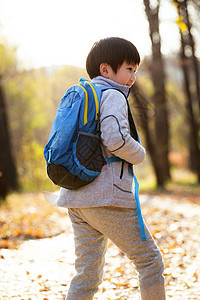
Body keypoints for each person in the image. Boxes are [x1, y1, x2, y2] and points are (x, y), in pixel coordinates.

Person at [56, 37, 166, 300]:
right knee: (150, 263)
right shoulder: (113, 94)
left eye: (135, 70)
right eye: (129, 69)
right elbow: (115, 140)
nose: (133, 77)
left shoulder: (85, 94)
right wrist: (139, 154)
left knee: (86, 275)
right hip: (107, 196)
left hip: (75, 196)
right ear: (106, 70)